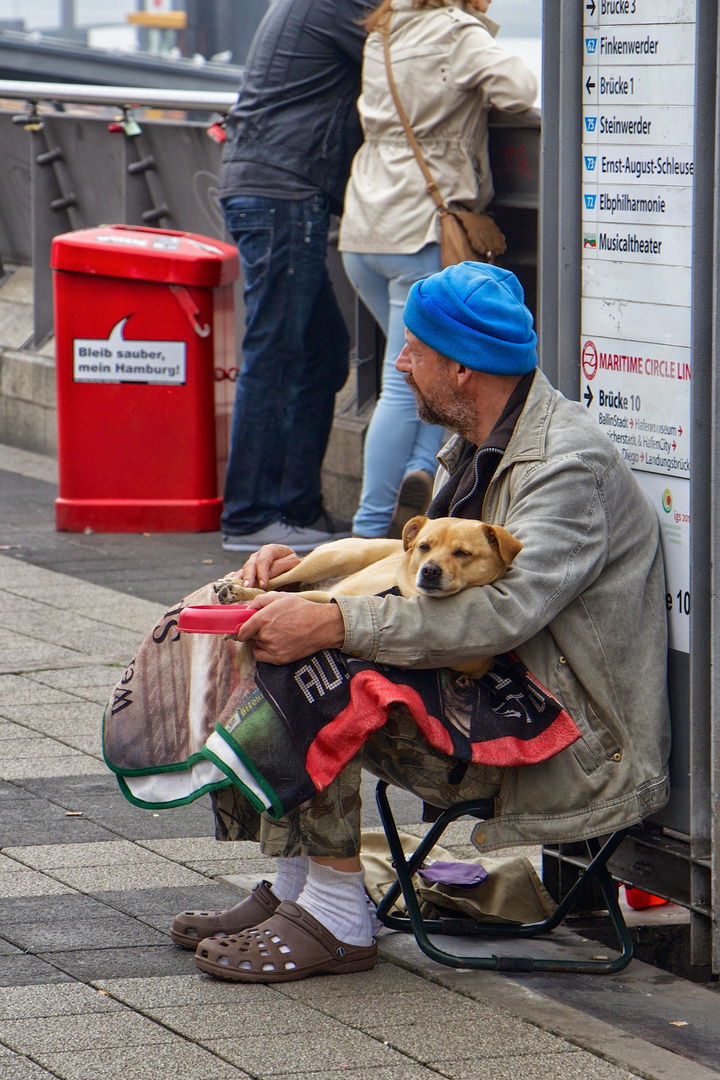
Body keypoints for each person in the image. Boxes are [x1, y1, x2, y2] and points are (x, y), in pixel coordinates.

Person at [173, 262, 671, 983]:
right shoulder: (476, 436)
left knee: (322, 668)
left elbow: (500, 613)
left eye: (413, 350)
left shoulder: (566, 464)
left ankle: (340, 919)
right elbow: (421, 575)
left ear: (462, 368)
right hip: (493, 696)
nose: (400, 362)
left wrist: (335, 623)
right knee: (265, 634)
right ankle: (296, 890)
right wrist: (307, 570)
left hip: (567, 744)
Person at [338, 0, 537, 538]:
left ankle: (423, 475)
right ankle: (369, 527)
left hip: (363, 229)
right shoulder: (455, 33)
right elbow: (520, 89)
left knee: (424, 370)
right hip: (421, 229)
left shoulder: (382, 30)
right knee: (407, 380)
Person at [219, 0, 371, 554]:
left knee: (323, 350)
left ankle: (295, 508)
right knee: (276, 350)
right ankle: (251, 515)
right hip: (284, 190)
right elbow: (401, 59)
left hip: (271, 184)